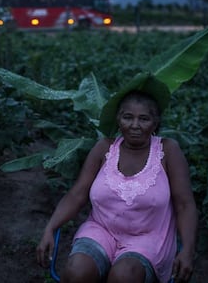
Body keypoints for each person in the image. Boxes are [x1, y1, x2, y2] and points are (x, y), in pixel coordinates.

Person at [36, 73, 198, 283]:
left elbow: (185, 205)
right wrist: (50, 228)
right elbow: (77, 193)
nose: (135, 125)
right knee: (76, 272)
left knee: (124, 276)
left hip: (148, 238)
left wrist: (188, 250)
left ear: (156, 122)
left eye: (144, 118)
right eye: (128, 117)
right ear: (118, 119)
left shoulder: (168, 151)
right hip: (101, 230)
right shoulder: (104, 148)